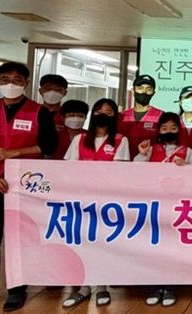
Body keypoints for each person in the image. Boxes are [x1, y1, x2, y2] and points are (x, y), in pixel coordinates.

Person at [0, 62, 58, 312]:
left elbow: (48, 145)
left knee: (19, 240)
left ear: (26, 83)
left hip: (24, 186)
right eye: (5, 79)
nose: (10, 84)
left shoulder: (38, 112)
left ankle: (16, 290)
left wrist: (16, 152)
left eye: (17, 79)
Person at [62, 99, 130, 308]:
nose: (103, 114)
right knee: (82, 243)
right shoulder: (80, 139)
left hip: (108, 202)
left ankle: (102, 287)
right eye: (99, 110)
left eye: (109, 111)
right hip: (81, 201)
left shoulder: (120, 140)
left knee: (103, 244)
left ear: (115, 116)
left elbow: (119, 172)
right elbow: (69, 169)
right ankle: (83, 288)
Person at [135, 112, 192, 307]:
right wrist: (142, 155)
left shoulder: (187, 151)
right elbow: (134, 172)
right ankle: (154, 286)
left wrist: (186, 167)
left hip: (177, 207)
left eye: (173, 128)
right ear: (158, 130)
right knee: (153, 247)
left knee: (173, 249)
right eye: (164, 128)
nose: (169, 131)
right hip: (154, 206)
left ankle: (170, 287)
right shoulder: (150, 149)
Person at [119, 74, 163, 160]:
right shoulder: (121, 116)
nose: (144, 92)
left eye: (148, 89)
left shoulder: (161, 116)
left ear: (153, 93)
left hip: (150, 164)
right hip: (122, 164)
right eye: (140, 88)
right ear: (133, 91)